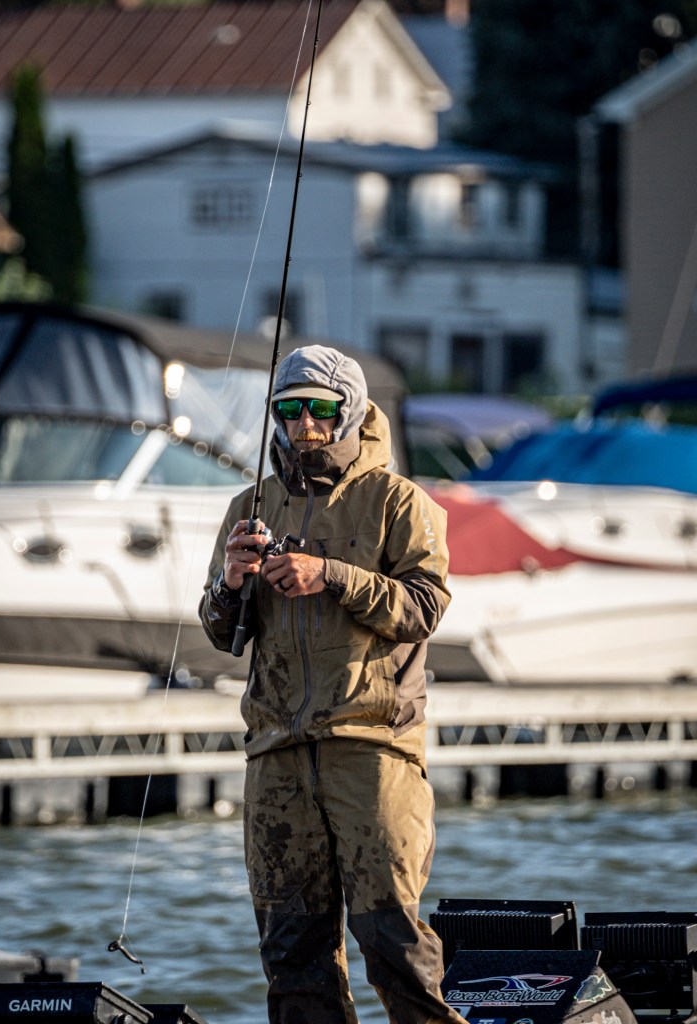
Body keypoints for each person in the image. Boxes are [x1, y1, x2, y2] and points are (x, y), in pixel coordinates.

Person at [200, 345, 464, 1024]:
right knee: (292, 953)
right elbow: (222, 634)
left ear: (349, 410)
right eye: (290, 410)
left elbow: (424, 608)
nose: (305, 424)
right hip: (276, 752)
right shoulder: (250, 505)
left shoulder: (400, 501)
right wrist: (231, 582)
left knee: (391, 940)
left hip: (372, 747)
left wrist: (331, 576)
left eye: (320, 408)